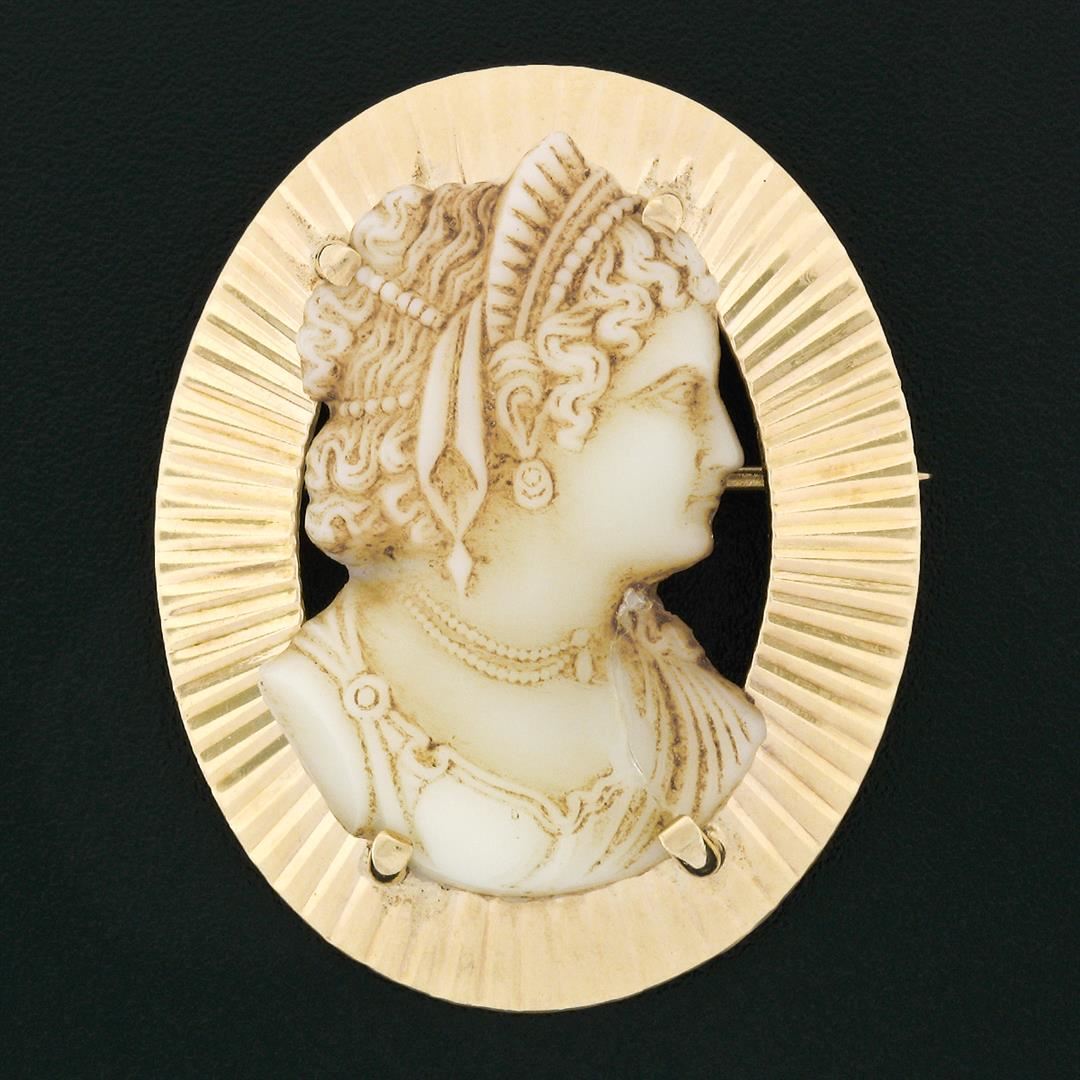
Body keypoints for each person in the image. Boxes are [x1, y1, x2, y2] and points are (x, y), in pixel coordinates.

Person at [259, 133, 765, 895]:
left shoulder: (705, 727)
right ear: (524, 417)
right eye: (679, 397)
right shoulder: (320, 701)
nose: (726, 450)